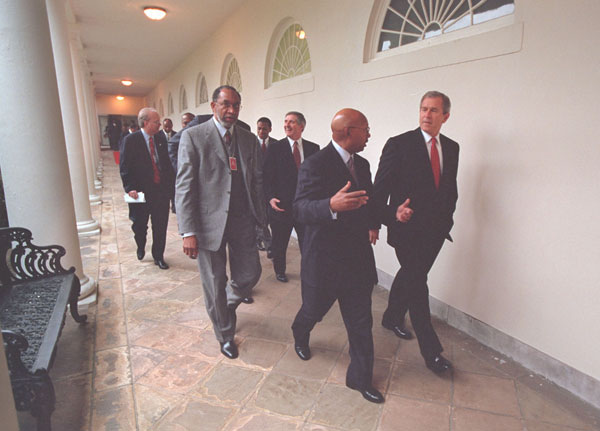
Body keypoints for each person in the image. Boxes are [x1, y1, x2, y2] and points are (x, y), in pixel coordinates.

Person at [291, 108, 383, 403]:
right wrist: (330, 205)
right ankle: (300, 331)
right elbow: (300, 209)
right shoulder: (315, 165)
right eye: (365, 129)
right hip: (325, 261)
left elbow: (371, 204)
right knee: (314, 310)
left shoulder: (364, 165)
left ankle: (360, 379)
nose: (369, 134)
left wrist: (389, 216)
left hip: (356, 260)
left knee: (360, 323)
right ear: (347, 133)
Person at [175, 86, 266, 359]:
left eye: (236, 105)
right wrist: (188, 231)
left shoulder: (248, 139)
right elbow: (184, 186)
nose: (231, 111)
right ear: (213, 105)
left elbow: (256, 182)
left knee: (250, 274)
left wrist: (262, 220)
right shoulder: (193, 137)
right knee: (214, 281)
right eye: (226, 105)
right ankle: (225, 334)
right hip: (206, 224)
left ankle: (224, 304)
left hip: (241, 220)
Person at [372, 90, 459, 374]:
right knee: (419, 285)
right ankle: (431, 352)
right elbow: (380, 188)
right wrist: (375, 221)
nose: (427, 115)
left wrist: (447, 220)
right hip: (406, 228)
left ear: (445, 116)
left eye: (434, 110)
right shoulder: (399, 144)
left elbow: (449, 188)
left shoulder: (453, 147)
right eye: (423, 109)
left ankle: (391, 316)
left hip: (435, 233)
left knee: (412, 275)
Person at [263, 111, 319, 282]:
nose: (287, 125)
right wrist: (270, 197)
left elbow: (318, 177)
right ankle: (280, 271)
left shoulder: (313, 149)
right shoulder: (275, 148)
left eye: (292, 122)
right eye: (285, 121)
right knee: (279, 244)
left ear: (301, 126)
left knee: (308, 244)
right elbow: (266, 177)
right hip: (281, 206)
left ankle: (309, 272)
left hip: (305, 208)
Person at [120, 108, 174, 270]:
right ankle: (140, 245)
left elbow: (167, 165)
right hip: (140, 193)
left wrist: (171, 189)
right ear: (145, 123)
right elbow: (125, 166)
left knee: (160, 225)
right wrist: (130, 188)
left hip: (160, 192)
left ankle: (158, 256)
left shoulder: (160, 139)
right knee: (139, 225)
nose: (159, 124)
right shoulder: (131, 140)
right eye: (156, 122)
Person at [255, 116, 277, 257]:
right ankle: (268, 245)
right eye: (259, 128)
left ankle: (263, 240)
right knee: (259, 216)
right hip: (255, 186)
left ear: (270, 129)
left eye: (264, 128)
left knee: (268, 216)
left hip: (271, 187)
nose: (261, 131)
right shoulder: (251, 143)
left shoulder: (276, 145)